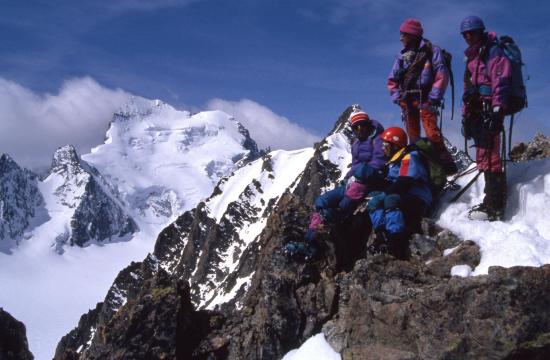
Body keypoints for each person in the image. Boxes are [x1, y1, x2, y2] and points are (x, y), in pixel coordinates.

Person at [284, 110, 387, 260]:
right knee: (321, 202)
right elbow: (355, 165)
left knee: (352, 192)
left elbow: (379, 161)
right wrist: (347, 178)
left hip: (372, 180)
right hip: (354, 181)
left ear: (368, 125)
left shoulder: (377, 138)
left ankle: (339, 214)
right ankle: (308, 243)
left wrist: (363, 173)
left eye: (362, 126)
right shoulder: (356, 144)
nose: (359, 130)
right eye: (356, 127)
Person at [387, 18, 457, 175]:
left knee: (432, 134)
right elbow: (392, 80)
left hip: (426, 99)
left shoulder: (432, 51)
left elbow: (441, 74)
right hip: (407, 100)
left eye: (403, 34)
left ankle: (446, 167)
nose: (401, 38)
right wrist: (398, 98)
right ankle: (420, 168)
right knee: (414, 138)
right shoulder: (401, 56)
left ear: (412, 35)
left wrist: (434, 97)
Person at [460, 16, 511, 221]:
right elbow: (468, 88)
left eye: (472, 33)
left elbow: (500, 79)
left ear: (481, 31)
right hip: (477, 109)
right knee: (483, 154)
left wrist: (498, 109)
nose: (468, 37)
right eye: (465, 34)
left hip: (490, 107)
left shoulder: (492, 50)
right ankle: (490, 200)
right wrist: (465, 115)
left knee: (491, 155)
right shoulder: (472, 56)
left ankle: (496, 204)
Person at [367, 127, 433, 260]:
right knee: (374, 197)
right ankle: (381, 235)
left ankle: (396, 241)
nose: (383, 148)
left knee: (389, 200)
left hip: (419, 198)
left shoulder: (410, 156)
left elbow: (404, 182)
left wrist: (383, 195)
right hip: (405, 196)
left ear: (395, 145)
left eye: (385, 145)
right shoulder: (393, 161)